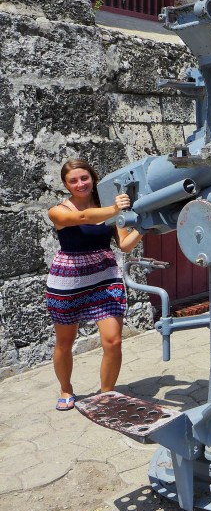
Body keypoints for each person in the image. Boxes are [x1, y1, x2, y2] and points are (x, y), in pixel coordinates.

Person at [45, 159, 142, 410]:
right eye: (73, 180)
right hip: (69, 280)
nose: (80, 184)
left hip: (104, 277)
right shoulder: (58, 211)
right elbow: (83, 217)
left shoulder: (108, 207)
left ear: (93, 178)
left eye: (84, 178)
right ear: (66, 185)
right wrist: (114, 209)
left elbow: (124, 245)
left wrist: (144, 227)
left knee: (113, 340)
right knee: (65, 342)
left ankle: (106, 394)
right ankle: (66, 388)